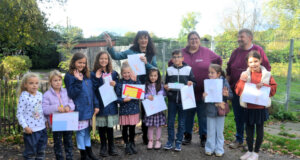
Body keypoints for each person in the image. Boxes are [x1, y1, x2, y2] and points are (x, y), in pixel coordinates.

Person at [104, 30, 157, 145]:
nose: (143, 40)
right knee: (132, 110)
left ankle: (146, 137)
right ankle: (129, 140)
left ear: (148, 40)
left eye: (146, 38)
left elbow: (155, 69)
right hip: (132, 86)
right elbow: (116, 56)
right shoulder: (132, 51)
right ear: (137, 40)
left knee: (146, 111)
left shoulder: (151, 54)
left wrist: (147, 63)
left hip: (146, 86)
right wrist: (110, 45)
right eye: (141, 38)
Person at [226, 29, 271, 149]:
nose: (239, 39)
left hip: (254, 92)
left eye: (242, 37)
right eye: (238, 37)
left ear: (250, 38)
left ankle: (250, 142)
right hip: (238, 90)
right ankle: (239, 139)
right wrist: (227, 88)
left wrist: (263, 85)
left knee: (252, 118)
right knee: (238, 116)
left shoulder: (258, 50)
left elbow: (267, 70)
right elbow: (229, 70)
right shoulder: (235, 52)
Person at [181, 31, 222, 147]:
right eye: (191, 39)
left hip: (204, 92)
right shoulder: (182, 53)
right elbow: (172, 63)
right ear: (188, 41)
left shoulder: (206, 52)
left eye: (196, 38)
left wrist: (216, 74)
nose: (194, 41)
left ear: (199, 40)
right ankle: (187, 135)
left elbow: (218, 60)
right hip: (188, 91)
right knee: (188, 115)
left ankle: (204, 137)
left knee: (203, 115)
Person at [236, 51, 277, 160]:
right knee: (248, 132)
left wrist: (264, 85)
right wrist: (242, 81)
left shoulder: (267, 75)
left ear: (260, 61)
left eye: (256, 61)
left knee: (259, 132)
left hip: (260, 108)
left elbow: (273, 90)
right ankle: (249, 151)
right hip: (248, 108)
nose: (253, 64)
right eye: (251, 62)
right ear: (247, 63)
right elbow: (238, 91)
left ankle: (256, 153)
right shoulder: (244, 75)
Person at [64, 52, 99, 160]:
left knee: (87, 131)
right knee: (81, 133)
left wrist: (96, 105)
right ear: (74, 62)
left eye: (84, 63)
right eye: (79, 62)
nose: (82, 65)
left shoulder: (86, 75)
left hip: (89, 109)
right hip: (79, 109)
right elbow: (71, 94)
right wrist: (78, 81)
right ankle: (83, 155)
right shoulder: (69, 76)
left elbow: (92, 91)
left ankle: (89, 152)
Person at [163, 49, 196, 152]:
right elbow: (166, 83)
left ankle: (178, 142)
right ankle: (170, 141)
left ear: (182, 58)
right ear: (172, 59)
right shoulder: (169, 70)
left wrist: (191, 83)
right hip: (172, 100)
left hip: (184, 101)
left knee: (181, 123)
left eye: (178, 57)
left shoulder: (188, 69)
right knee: (171, 121)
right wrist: (166, 87)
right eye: (174, 57)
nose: (176, 59)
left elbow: (194, 83)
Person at [91, 51, 119, 157]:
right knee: (102, 128)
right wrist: (97, 78)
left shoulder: (114, 73)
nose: (104, 61)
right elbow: (93, 90)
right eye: (101, 58)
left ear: (109, 60)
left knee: (110, 127)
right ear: (98, 60)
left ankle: (111, 146)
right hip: (101, 104)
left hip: (110, 104)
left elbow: (118, 88)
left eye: (106, 59)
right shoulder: (93, 74)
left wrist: (115, 84)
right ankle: (103, 147)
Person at [42, 70, 75, 160]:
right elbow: (45, 110)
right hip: (56, 122)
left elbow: (72, 103)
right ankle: (59, 157)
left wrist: (68, 107)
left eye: (59, 80)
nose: (58, 82)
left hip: (67, 121)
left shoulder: (66, 92)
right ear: (50, 82)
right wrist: (56, 107)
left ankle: (69, 157)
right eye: (55, 80)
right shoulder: (47, 95)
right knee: (58, 143)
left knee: (68, 141)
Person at [202, 64, 232, 157]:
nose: (210, 74)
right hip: (210, 110)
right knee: (210, 131)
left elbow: (231, 95)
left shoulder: (224, 82)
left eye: (212, 73)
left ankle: (219, 149)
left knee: (219, 131)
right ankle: (209, 148)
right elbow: (205, 99)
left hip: (221, 111)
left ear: (218, 74)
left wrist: (226, 94)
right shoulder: (207, 83)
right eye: (209, 72)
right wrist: (204, 97)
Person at [17, 72, 48, 160]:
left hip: (42, 129)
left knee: (41, 152)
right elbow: (20, 113)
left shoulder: (40, 95)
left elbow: (42, 110)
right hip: (31, 130)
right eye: (31, 83)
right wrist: (25, 127)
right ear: (25, 85)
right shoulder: (24, 96)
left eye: (36, 83)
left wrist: (45, 121)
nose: (34, 86)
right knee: (30, 153)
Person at [115, 62, 141, 155]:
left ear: (131, 73)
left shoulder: (135, 81)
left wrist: (136, 81)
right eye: (124, 73)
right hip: (124, 111)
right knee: (125, 129)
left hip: (133, 110)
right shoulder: (119, 83)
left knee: (132, 128)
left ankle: (132, 143)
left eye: (128, 72)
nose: (126, 74)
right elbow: (116, 98)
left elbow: (140, 93)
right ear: (122, 74)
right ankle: (126, 144)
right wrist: (123, 100)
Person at [143, 68, 166, 150]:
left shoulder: (161, 85)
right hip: (150, 110)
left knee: (158, 126)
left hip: (158, 110)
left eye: (155, 75)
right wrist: (147, 96)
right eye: (151, 75)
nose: (153, 77)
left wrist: (160, 95)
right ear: (148, 76)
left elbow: (164, 94)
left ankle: (158, 141)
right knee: (150, 126)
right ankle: (150, 141)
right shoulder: (146, 85)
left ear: (158, 76)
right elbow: (143, 94)